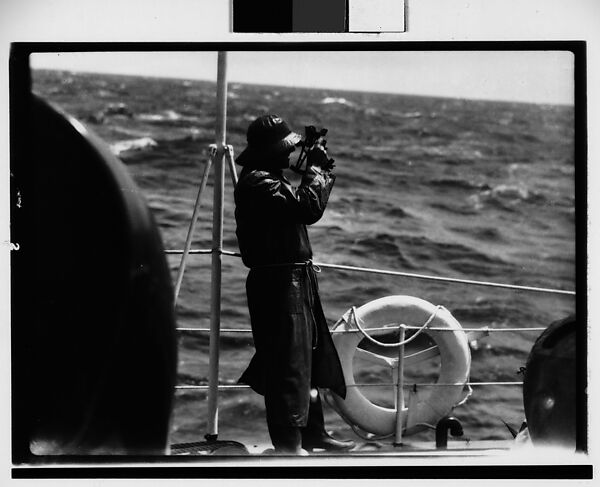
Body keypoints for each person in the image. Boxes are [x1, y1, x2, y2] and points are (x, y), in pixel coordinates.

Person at [234, 114, 355, 454]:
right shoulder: (259, 182)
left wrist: (315, 172)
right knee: (288, 364)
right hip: (278, 283)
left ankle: (313, 433)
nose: (290, 154)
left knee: (309, 359)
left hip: (295, 279)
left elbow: (303, 204)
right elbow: (307, 206)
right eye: (285, 148)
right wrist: (317, 171)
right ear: (270, 150)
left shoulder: (270, 178)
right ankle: (289, 446)